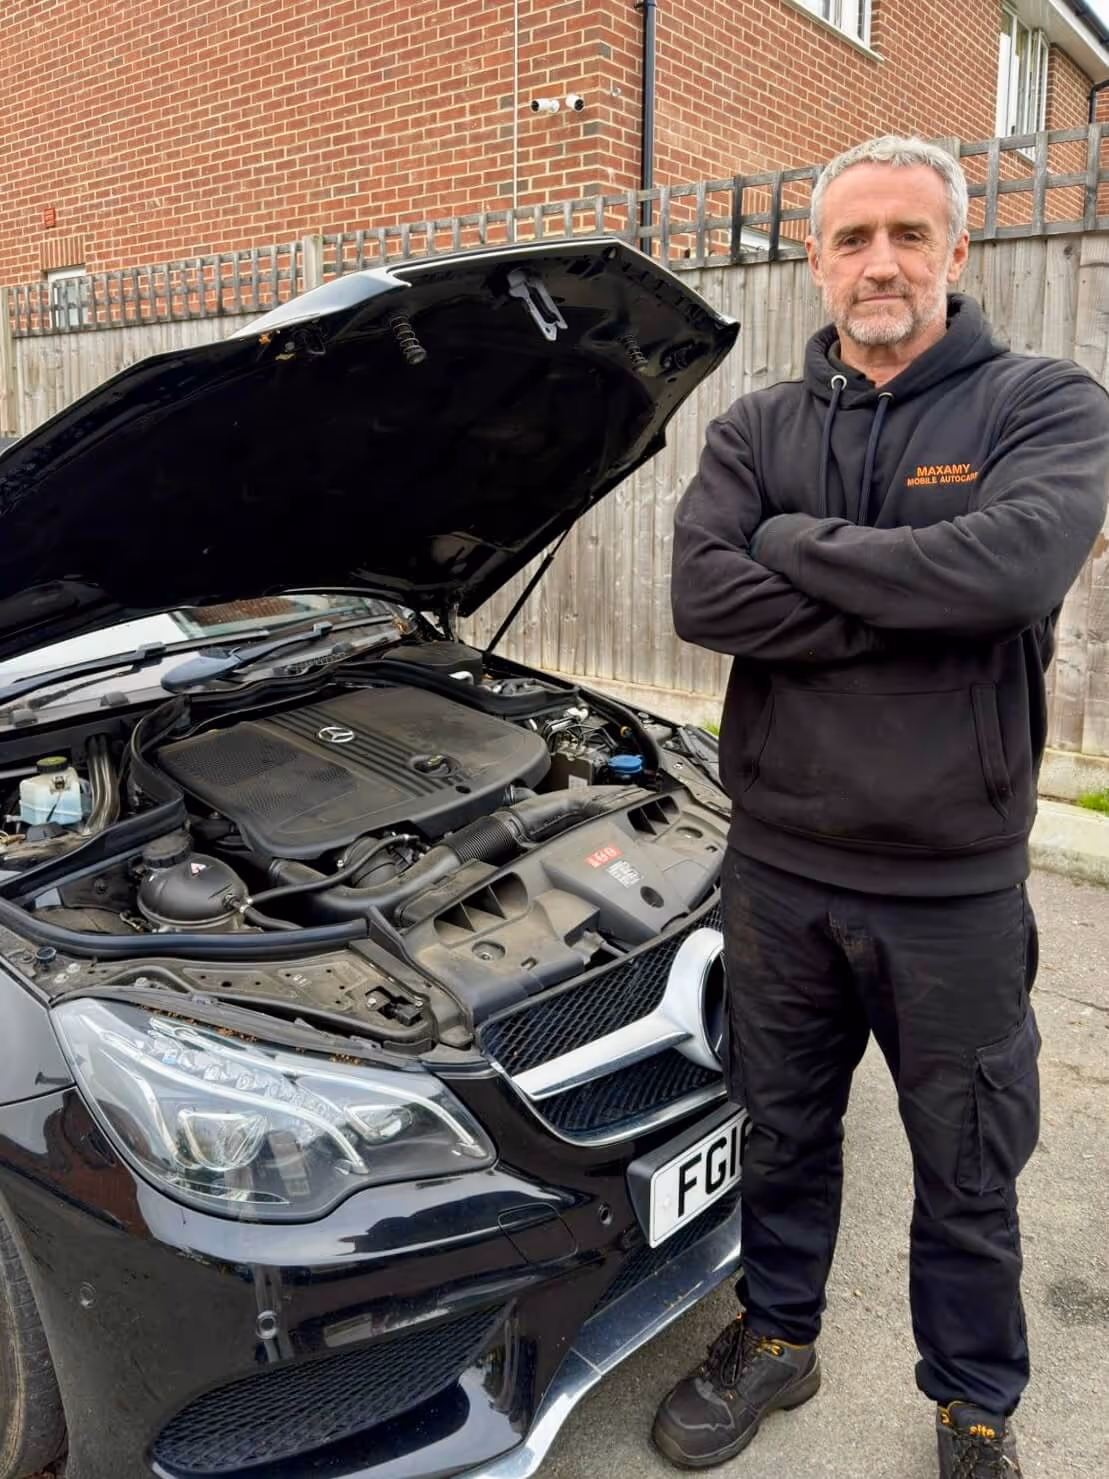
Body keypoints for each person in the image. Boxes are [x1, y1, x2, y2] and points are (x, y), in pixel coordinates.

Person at [656, 135, 1109, 1478]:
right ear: (818, 260)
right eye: (853, 239)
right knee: (782, 1129)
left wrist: (795, 551)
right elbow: (698, 595)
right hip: (779, 870)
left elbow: (1012, 574)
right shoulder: (757, 427)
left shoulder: (1046, 406)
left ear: (957, 252)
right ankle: (777, 1338)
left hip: (952, 888)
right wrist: (912, 598)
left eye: (910, 235)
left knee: (968, 1162)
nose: (881, 264)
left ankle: (975, 1404)